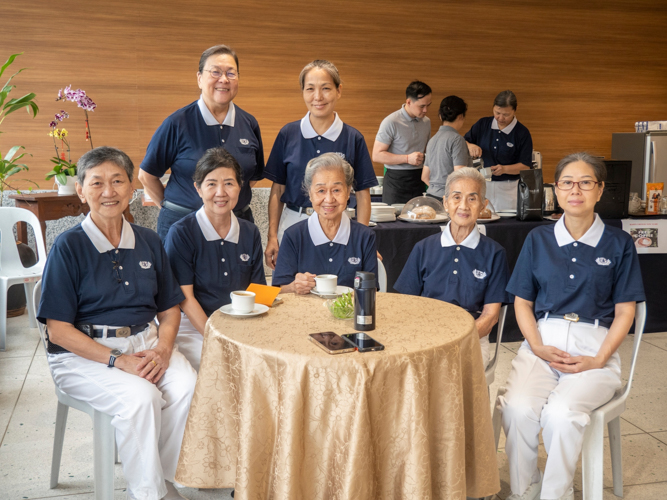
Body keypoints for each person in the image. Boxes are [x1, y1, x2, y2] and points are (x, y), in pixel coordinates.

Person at [37, 147, 197, 500]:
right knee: (140, 397)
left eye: (117, 181)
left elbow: (170, 309)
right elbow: (58, 330)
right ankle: (149, 493)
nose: (108, 192)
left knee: (186, 386)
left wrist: (163, 349)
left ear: (131, 189)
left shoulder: (150, 241)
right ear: (81, 190)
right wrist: (117, 360)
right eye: (97, 183)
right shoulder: (69, 247)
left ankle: (165, 476)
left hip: (146, 343)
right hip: (82, 355)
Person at [498, 152, 645, 500]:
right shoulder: (538, 239)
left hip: (595, 346)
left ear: (600, 190)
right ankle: (526, 488)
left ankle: (556, 493)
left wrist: (598, 359)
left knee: (562, 415)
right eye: (567, 183)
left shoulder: (619, 244)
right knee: (517, 408)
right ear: (556, 190)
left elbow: (626, 311)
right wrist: (535, 345)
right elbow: (522, 302)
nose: (575, 190)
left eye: (585, 183)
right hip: (543, 339)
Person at [139, 44, 264, 240]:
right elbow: (147, 176)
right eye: (215, 72)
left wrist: (224, 203)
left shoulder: (249, 123)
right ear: (199, 78)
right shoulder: (177, 123)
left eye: (231, 73)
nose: (223, 79)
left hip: (238, 225)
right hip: (183, 228)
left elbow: (252, 176)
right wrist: (174, 206)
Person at [263, 59, 378, 269]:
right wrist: (272, 236)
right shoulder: (288, 134)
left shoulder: (353, 138)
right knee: (293, 288)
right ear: (303, 92)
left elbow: (362, 194)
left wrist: (362, 239)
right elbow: (277, 189)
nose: (318, 97)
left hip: (339, 224)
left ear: (338, 91)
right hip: (293, 221)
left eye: (326, 88)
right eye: (310, 89)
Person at [164, 147, 266, 371]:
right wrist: (216, 334)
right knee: (223, 364)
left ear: (240, 187)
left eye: (229, 183)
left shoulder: (250, 232)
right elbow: (185, 298)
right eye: (211, 184)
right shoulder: (182, 232)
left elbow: (257, 291)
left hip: (241, 322)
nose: (221, 192)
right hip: (194, 326)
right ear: (198, 189)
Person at [394, 167, 509, 366]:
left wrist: (458, 338)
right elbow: (407, 307)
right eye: (456, 197)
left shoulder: (495, 253)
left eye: (472, 199)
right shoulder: (424, 248)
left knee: (454, 372)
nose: (463, 206)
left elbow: (490, 317)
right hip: (426, 335)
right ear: (445, 203)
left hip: (471, 337)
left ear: (483, 205)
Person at [272, 153, 378, 293]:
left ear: (348, 192)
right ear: (310, 194)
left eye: (336, 190)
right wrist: (294, 286)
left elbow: (371, 291)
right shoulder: (293, 236)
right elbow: (279, 291)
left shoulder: (365, 236)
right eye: (321, 190)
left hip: (349, 313)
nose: (329, 199)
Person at [464, 90, 533, 212]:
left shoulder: (522, 133)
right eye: (497, 113)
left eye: (506, 114)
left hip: (508, 188)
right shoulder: (483, 124)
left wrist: (505, 169)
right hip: (483, 185)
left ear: (515, 110)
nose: (500, 118)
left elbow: (525, 165)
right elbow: (462, 142)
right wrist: (470, 145)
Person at [373, 80, 432, 204]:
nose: (426, 110)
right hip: (396, 181)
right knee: (394, 222)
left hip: (419, 179)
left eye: (428, 105)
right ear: (409, 102)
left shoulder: (426, 122)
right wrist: (407, 158)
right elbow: (377, 155)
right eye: (422, 106)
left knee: (421, 219)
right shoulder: (391, 122)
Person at [422, 95, 471, 200]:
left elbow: (424, 176)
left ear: (440, 116)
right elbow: (460, 175)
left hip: (431, 197)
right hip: (450, 199)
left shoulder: (432, 140)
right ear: (460, 116)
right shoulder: (457, 139)